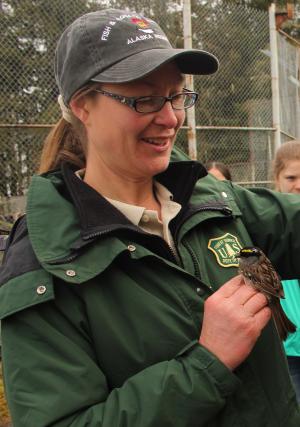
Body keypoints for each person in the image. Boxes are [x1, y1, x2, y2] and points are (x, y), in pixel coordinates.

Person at [0, 8, 300, 427]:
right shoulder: (46, 265)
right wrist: (207, 364)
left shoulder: (207, 197)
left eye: (177, 96)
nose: (171, 117)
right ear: (82, 106)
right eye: (144, 98)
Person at [274, 140, 300, 402]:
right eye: (291, 177)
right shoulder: (265, 227)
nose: (299, 184)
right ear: (276, 179)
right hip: (289, 347)